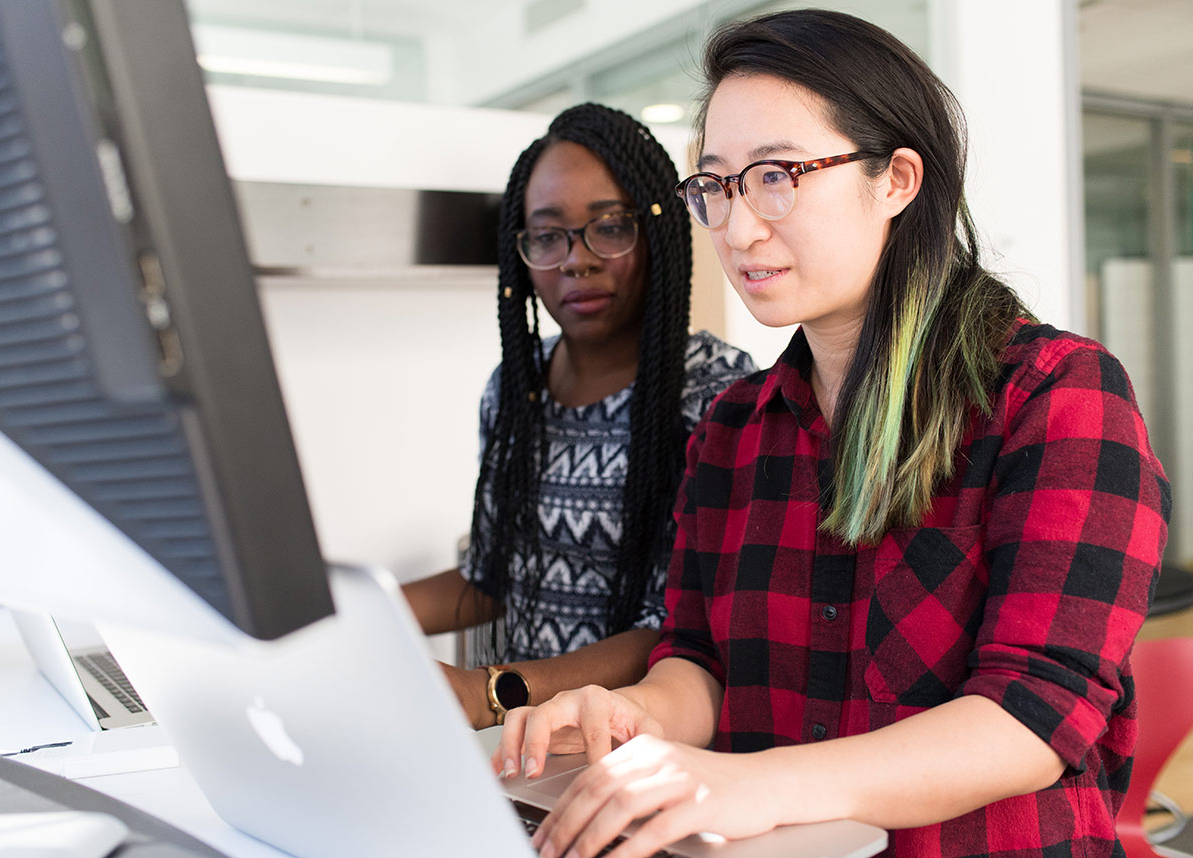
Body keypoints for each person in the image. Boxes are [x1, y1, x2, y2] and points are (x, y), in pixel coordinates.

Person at [494, 11, 1171, 858]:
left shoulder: (1056, 396)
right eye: (717, 186)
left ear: (896, 180)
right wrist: (637, 711)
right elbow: (699, 660)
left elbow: (1034, 715)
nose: (738, 230)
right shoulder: (733, 428)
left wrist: (755, 782)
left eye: (777, 175)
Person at [403, 103, 756, 731]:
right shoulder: (515, 389)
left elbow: (679, 629)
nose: (577, 259)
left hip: (639, 745)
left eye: (610, 227)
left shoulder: (716, 394)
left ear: (656, 233)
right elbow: (490, 575)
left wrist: (490, 692)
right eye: (548, 235)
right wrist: (349, 615)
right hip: (524, 744)